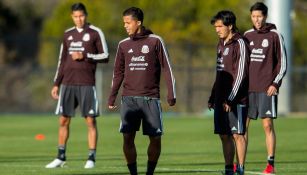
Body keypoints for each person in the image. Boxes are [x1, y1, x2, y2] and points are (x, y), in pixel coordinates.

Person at [108, 7, 176, 175]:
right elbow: (118, 73)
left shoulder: (155, 41)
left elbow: (167, 68)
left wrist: (171, 93)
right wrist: (112, 96)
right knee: (127, 138)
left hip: (150, 99)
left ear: (138, 22)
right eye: (124, 23)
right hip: (129, 100)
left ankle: (149, 173)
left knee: (155, 138)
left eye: (128, 22)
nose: (125, 26)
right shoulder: (123, 45)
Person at [45, 2, 109, 169]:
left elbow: (105, 56)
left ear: (86, 15)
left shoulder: (95, 33)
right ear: (71, 17)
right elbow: (62, 61)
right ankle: (60, 156)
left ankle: (91, 158)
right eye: (76, 16)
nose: (79, 19)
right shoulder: (67, 35)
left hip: (87, 84)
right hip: (68, 84)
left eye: (81, 16)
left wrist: (85, 55)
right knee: (63, 121)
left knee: (90, 122)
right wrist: (56, 83)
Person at [244, 2, 287, 174]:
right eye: (254, 16)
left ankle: (270, 164)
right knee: (242, 128)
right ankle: (239, 164)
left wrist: (275, 84)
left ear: (265, 16)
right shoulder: (246, 35)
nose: (257, 20)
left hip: (266, 89)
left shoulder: (275, 35)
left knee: (267, 125)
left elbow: (282, 64)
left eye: (259, 16)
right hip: (247, 90)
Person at [208, 10, 249, 175]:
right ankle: (228, 169)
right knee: (224, 135)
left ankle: (240, 169)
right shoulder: (220, 44)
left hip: (236, 99)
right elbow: (219, 72)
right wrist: (213, 96)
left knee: (237, 135)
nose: (217, 29)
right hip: (220, 98)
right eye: (215, 26)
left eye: (220, 26)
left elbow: (241, 73)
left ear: (230, 26)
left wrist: (230, 99)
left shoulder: (240, 43)